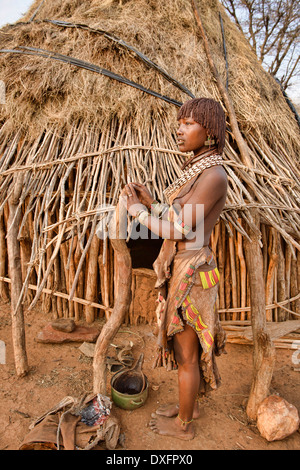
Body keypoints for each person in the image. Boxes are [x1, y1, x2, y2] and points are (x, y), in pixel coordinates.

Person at [122, 97, 228, 440]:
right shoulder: (198, 169)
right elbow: (177, 215)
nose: (179, 129)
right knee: (188, 350)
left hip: (193, 273)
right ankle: (190, 406)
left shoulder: (213, 175)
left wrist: (138, 212)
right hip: (184, 266)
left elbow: (182, 229)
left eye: (188, 124)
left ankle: (184, 425)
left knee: (185, 353)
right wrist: (151, 203)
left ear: (209, 131)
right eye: (179, 122)